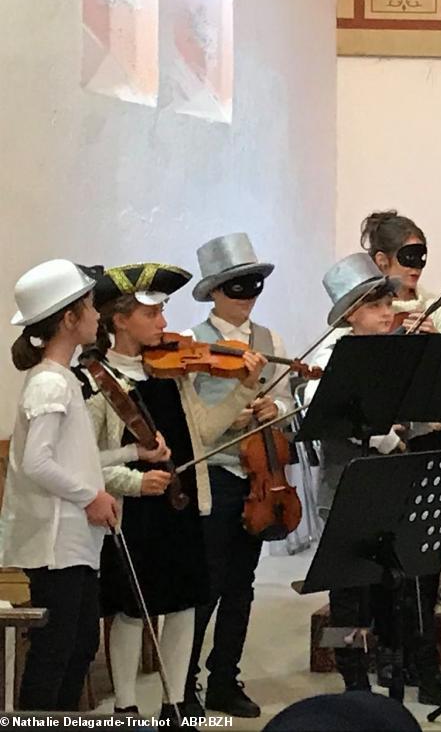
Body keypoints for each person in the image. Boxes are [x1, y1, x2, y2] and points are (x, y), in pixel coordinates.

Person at [85, 263, 265, 722]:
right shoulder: (97, 378)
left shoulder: (170, 371)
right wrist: (135, 481)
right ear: (120, 319)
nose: (165, 324)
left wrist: (243, 390)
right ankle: (125, 706)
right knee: (131, 610)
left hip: (182, 501)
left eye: (163, 312)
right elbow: (89, 461)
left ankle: (174, 704)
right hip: (133, 510)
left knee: (184, 604)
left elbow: (203, 431)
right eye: (153, 314)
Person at [358, 213, 441, 709]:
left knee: (423, 559)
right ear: (382, 261)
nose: (418, 266)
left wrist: (436, 344)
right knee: (385, 560)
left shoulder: (435, 307)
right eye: (409, 257)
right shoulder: (366, 309)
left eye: (422, 255)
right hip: (384, 448)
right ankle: (388, 652)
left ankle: (426, 662)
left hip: (428, 441)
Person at [0, 261, 118, 711]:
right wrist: (93, 496)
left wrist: (133, 457)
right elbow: (37, 462)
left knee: (81, 644)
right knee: (55, 652)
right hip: (56, 544)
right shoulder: (50, 381)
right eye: (89, 307)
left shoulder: (60, 378)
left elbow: (75, 461)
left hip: (73, 541)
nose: (96, 316)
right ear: (68, 319)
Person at [185, 233, 291, 718]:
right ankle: (184, 684)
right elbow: (195, 419)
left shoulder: (270, 341)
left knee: (241, 585)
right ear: (215, 293)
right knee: (206, 585)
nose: (246, 298)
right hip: (219, 475)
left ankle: (225, 677)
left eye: (254, 288)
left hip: (261, 478)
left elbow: (288, 400)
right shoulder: (191, 347)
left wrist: (277, 406)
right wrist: (236, 412)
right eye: (237, 289)